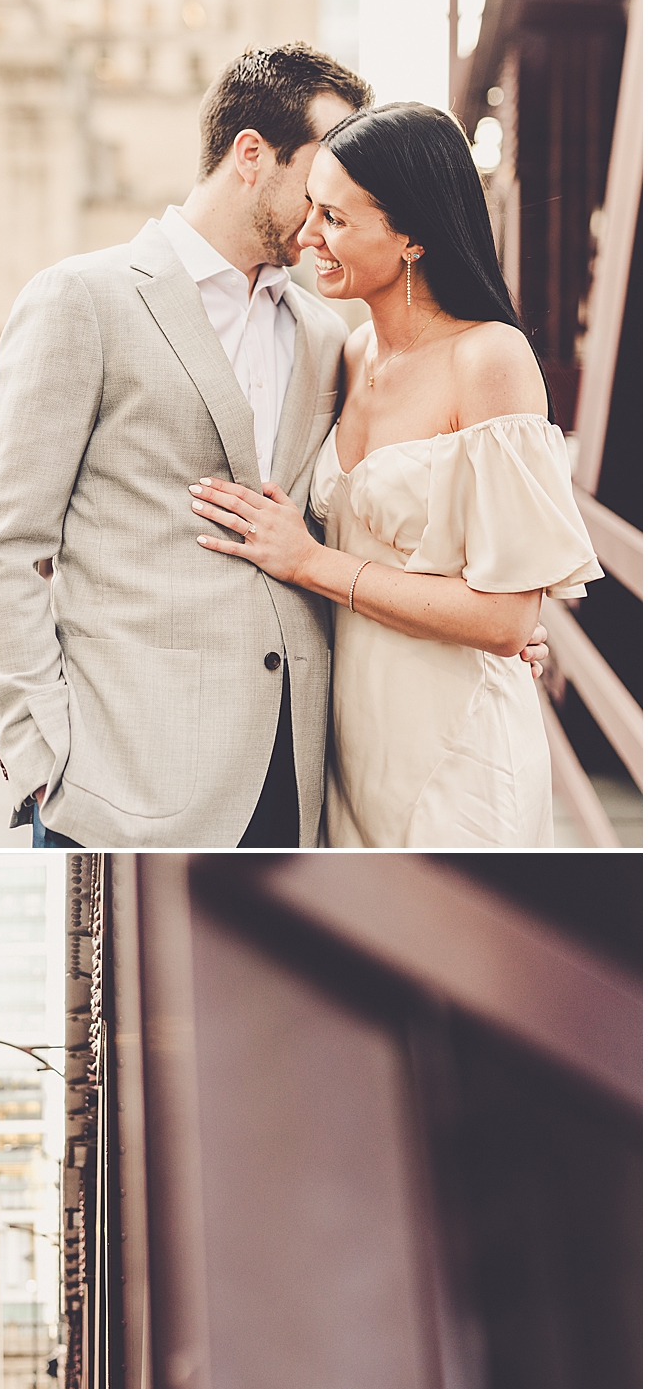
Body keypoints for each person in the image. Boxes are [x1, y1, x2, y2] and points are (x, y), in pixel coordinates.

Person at [0, 44, 372, 849]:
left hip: (294, 781)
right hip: (121, 786)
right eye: (323, 177)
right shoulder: (84, 299)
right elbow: (2, 545)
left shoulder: (326, 333)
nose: (333, 209)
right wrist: (41, 757)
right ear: (252, 154)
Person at [188, 101, 601, 847]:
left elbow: (508, 620)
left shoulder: (490, 359)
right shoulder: (350, 356)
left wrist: (313, 563)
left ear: (412, 237)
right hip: (351, 748)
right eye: (312, 209)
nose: (308, 234)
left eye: (336, 220)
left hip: (457, 750)